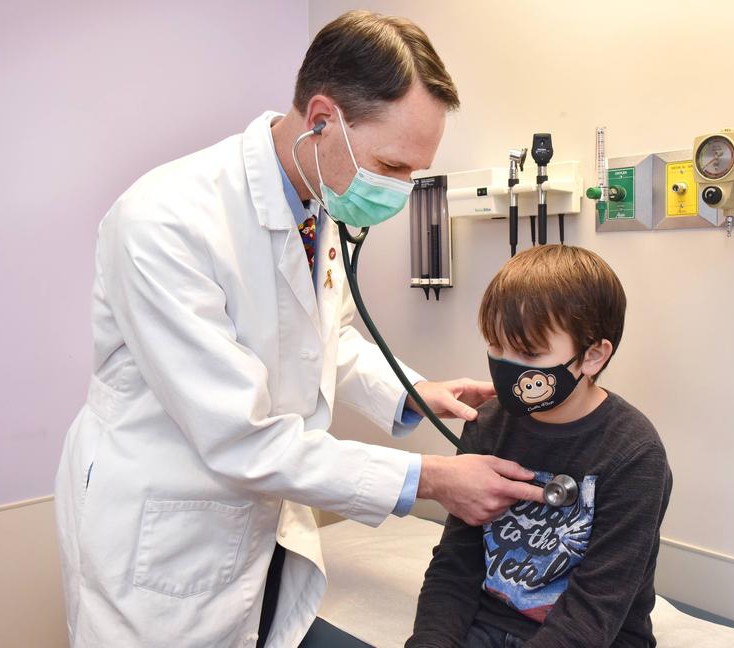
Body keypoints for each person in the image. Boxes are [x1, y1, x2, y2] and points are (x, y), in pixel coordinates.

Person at [54, 10, 542, 648]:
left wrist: (412, 393)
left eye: (411, 173)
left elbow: (325, 338)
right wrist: (428, 479)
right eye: (391, 166)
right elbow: (240, 438)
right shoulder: (164, 223)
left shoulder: (318, 195)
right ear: (321, 119)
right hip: (165, 536)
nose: (399, 191)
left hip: (261, 527)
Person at [407, 245, 674, 648]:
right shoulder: (487, 425)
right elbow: (455, 564)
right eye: (496, 346)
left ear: (593, 356)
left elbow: (597, 606)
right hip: (488, 623)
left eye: (529, 352)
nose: (506, 365)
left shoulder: (634, 454)